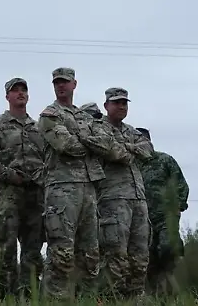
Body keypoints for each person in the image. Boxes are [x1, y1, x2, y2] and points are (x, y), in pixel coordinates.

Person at [37, 68, 127, 301]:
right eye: (57, 82)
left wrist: (84, 139)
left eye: (65, 82)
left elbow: (109, 146)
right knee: (62, 252)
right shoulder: (49, 115)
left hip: (88, 189)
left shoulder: (85, 117)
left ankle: (86, 299)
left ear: (74, 84)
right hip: (61, 188)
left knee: (90, 253)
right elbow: (66, 146)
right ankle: (56, 301)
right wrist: (90, 143)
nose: (61, 86)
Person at [0, 78, 45, 297]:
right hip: (7, 192)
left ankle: (28, 296)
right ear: (7, 96)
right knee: (2, 250)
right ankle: (1, 297)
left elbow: (48, 159)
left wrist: (40, 176)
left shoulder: (38, 128)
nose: (20, 93)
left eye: (23, 90)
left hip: (34, 195)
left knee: (32, 250)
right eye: (14, 90)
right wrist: (8, 175)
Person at [97, 88, 154, 299]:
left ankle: (135, 298)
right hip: (113, 198)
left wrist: (127, 147)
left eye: (124, 103)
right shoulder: (99, 128)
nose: (121, 107)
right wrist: (130, 150)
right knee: (115, 254)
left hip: (138, 198)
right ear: (106, 106)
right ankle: (114, 299)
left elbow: (148, 150)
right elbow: (112, 152)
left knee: (140, 254)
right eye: (117, 103)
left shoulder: (131, 130)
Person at [136, 127, 189, 295]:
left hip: (165, 216)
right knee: (148, 259)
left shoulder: (164, 160)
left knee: (168, 248)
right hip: (142, 220)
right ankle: (157, 295)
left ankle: (173, 285)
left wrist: (177, 207)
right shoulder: (130, 165)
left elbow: (181, 184)